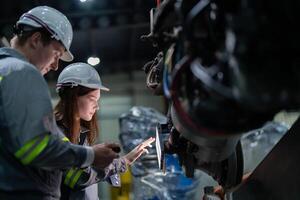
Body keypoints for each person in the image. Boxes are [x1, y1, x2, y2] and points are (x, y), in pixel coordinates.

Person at [0, 6, 120, 200]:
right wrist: (91, 155)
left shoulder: (4, 70)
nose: (56, 65)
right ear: (36, 39)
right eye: (56, 54)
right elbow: (36, 148)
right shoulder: (22, 72)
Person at [54, 62, 155, 200]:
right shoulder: (56, 133)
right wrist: (124, 161)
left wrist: (106, 161)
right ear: (73, 96)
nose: (97, 107)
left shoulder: (79, 134)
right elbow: (79, 177)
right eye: (92, 99)